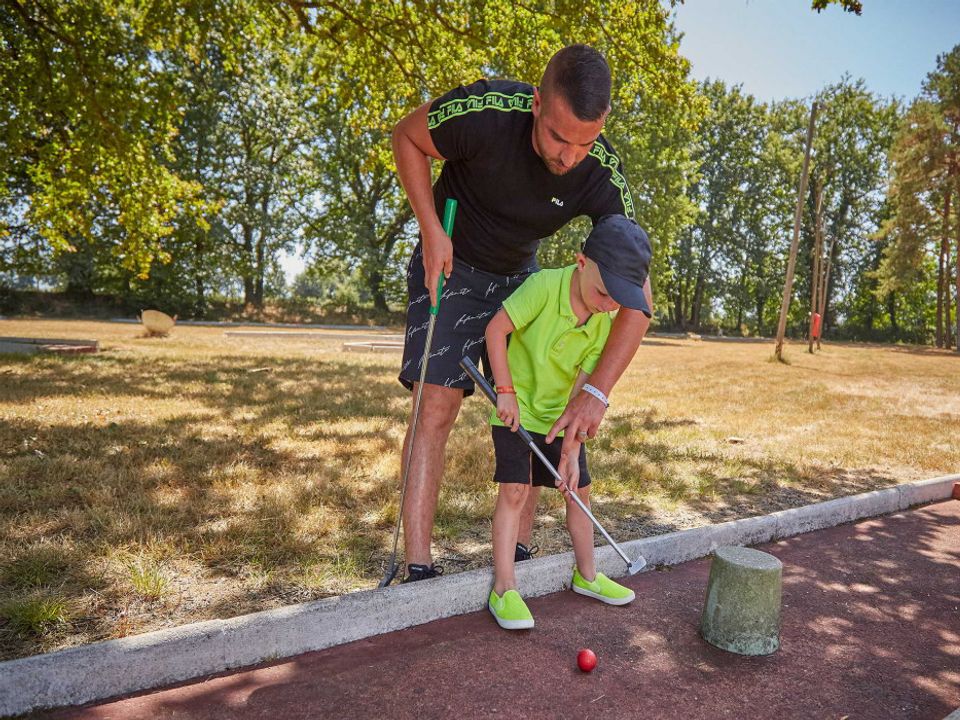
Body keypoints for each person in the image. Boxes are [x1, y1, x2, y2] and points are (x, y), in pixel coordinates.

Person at [391, 44, 654, 583]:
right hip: (451, 259)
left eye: (585, 142)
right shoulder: (486, 111)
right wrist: (430, 230)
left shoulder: (600, 171)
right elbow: (407, 137)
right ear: (537, 103)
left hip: (521, 278)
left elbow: (637, 300)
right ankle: (417, 565)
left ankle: (521, 555)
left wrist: (596, 392)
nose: (568, 157)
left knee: (537, 403)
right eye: (559, 137)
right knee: (435, 406)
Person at [484, 214, 650, 629]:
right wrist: (504, 392)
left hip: (558, 419)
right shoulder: (543, 287)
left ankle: (587, 576)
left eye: (618, 299)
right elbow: (494, 329)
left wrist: (571, 450)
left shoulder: (602, 323)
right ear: (580, 262)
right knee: (516, 491)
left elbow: (581, 392)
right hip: (515, 411)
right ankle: (504, 589)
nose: (608, 304)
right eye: (602, 292)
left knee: (579, 490)